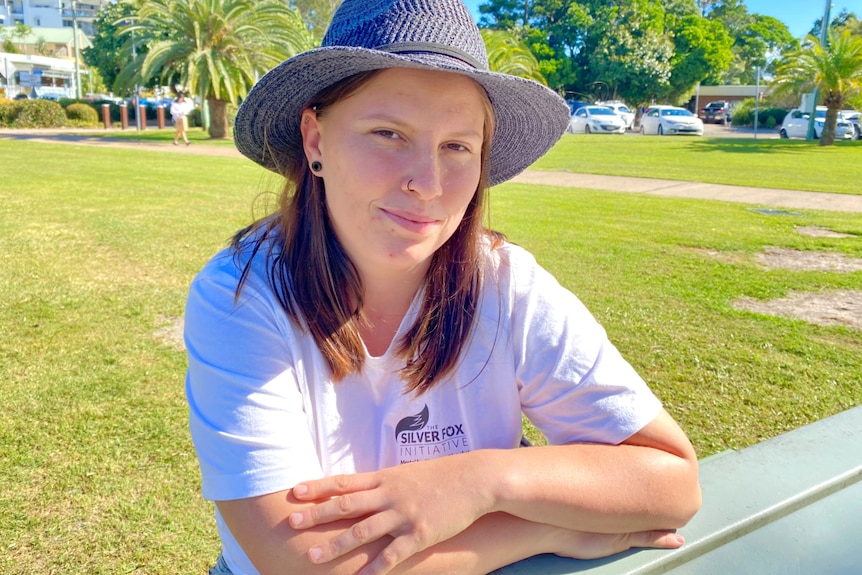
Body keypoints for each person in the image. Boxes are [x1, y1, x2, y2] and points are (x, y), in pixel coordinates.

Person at [184, 1, 701, 574]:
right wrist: (547, 526)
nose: (427, 184)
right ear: (315, 139)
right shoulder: (241, 295)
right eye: (388, 133)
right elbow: (306, 564)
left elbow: (672, 483)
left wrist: (480, 479)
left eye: (457, 146)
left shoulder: (507, 285)